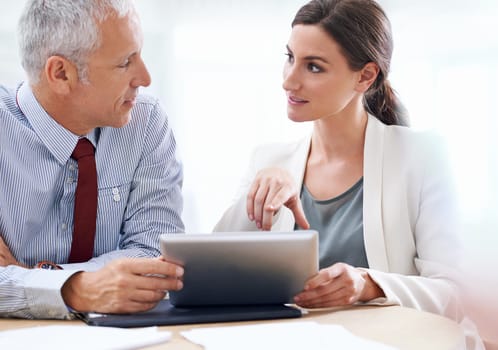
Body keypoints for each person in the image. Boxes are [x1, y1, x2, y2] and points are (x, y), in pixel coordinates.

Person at [214, 0, 483, 348]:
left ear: (365, 76)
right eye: (290, 58)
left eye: (313, 67)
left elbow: (455, 292)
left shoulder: (421, 156)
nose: (288, 81)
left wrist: (367, 284)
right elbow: (216, 273)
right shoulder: (270, 160)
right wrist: (259, 190)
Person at [0, 0, 184, 319]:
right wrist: (77, 289)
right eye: (125, 62)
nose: (145, 77)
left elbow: (157, 260)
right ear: (61, 74)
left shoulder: (146, 121)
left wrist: (38, 279)